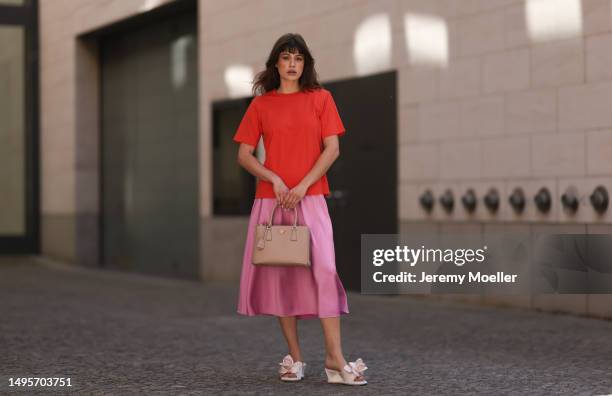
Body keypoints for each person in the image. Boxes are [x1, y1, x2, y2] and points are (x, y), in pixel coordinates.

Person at [233, 33, 368, 386]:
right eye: (286, 57)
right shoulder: (261, 106)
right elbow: (244, 155)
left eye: (298, 58)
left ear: (305, 64)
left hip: (310, 198)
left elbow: (332, 149)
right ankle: (294, 358)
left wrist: (304, 184)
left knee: (324, 269)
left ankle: (334, 357)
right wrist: (274, 179)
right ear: (275, 63)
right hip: (271, 201)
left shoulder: (321, 99)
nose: (292, 64)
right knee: (282, 279)